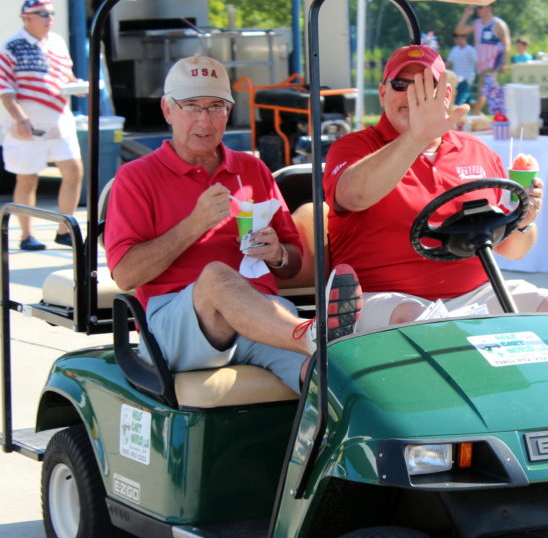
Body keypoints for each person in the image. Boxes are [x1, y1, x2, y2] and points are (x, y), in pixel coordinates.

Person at [104, 55, 361, 392]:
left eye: (215, 107)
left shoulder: (252, 170)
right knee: (217, 276)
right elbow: (125, 274)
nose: (205, 119)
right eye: (192, 106)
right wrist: (194, 224)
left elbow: (292, 262)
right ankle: (310, 334)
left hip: (262, 318)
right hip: (178, 325)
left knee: (335, 380)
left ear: (228, 112)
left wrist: (278, 255)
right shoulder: (136, 178)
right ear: (168, 111)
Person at [323, 45, 548, 333]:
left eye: (428, 85)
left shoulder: (477, 151)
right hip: (383, 298)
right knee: (419, 321)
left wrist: (524, 223)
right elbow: (353, 196)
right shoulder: (354, 147)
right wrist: (418, 137)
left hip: (474, 294)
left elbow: (512, 251)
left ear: (447, 96)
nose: (415, 95)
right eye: (402, 85)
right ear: (383, 94)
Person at [0, 0, 83, 250]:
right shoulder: (11, 46)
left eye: (52, 13)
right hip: (29, 124)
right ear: (28, 18)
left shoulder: (57, 42)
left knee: (74, 172)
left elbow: (65, 74)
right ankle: (26, 235)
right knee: (27, 180)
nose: (50, 19)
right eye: (44, 14)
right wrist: (20, 118)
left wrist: (77, 85)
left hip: (59, 119)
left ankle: (63, 230)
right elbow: (6, 89)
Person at [455, 3, 511, 115]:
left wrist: (504, 62)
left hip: (493, 64)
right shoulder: (476, 24)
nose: (477, 10)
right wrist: (466, 15)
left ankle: (476, 115)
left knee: (483, 92)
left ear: (489, 8)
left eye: (480, 7)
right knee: (488, 93)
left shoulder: (498, 24)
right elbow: (459, 31)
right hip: (481, 65)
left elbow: (507, 44)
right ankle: (483, 117)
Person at [445, 32, 476, 107]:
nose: (457, 40)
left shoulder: (470, 50)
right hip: (457, 79)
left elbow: (477, 62)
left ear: (465, 38)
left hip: (466, 79)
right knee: (472, 103)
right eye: (456, 38)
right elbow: (449, 62)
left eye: (459, 38)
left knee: (458, 102)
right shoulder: (454, 49)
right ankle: (479, 116)